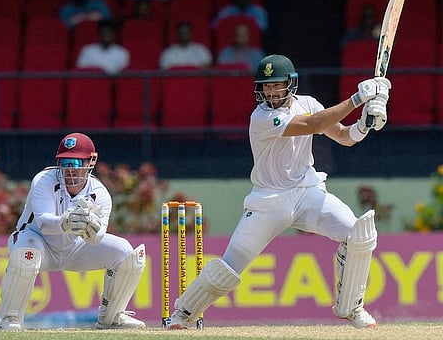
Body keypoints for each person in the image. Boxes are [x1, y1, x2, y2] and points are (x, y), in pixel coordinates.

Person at [165, 54, 391, 329]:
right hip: (269, 201)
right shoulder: (261, 117)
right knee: (229, 266)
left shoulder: (308, 103)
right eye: (266, 86)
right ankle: (182, 314)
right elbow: (311, 125)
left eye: (276, 85)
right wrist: (357, 100)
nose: (271, 91)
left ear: (291, 84)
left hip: (308, 192)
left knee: (359, 234)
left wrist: (365, 124)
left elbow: (344, 136)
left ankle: (351, 308)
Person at [0, 133, 146, 331]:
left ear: (91, 161)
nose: (69, 170)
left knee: (127, 253)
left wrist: (91, 230)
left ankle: (112, 317)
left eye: (75, 163)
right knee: (26, 255)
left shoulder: (99, 194)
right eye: (64, 162)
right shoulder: (44, 180)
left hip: (75, 248)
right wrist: (66, 222)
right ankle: (9, 318)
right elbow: (44, 224)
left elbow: (96, 240)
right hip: (38, 242)